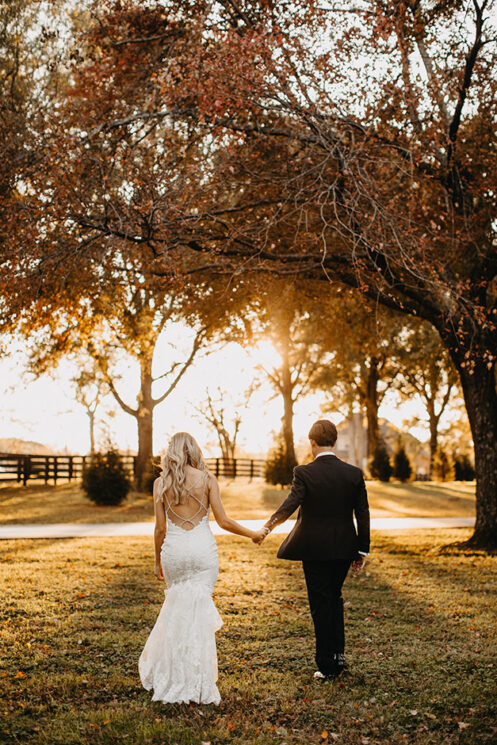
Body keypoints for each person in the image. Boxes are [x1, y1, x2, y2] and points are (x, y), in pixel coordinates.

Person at [138, 432, 259, 705]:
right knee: (198, 614)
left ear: (172, 452)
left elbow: (159, 528)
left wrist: (157, 559)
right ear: (194, 450)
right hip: (203, 551)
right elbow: (224, 521)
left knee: (176, 611)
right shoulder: (207, 479)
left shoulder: (161, 483)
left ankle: (173, 674)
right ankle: (198, 678)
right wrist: (252, 534)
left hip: (175, 551)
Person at [254, 419, 370, 679]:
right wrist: (362, 550)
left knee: (320, 604)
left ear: (312, 443)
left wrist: (268, 526)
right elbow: (363, 513)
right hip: (343, 549)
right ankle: (338, 660)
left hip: (314, 550)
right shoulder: (353, 474)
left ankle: (326, 666)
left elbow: (290, 504)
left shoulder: (304, 472)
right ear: (336, 441)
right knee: (335, 599)